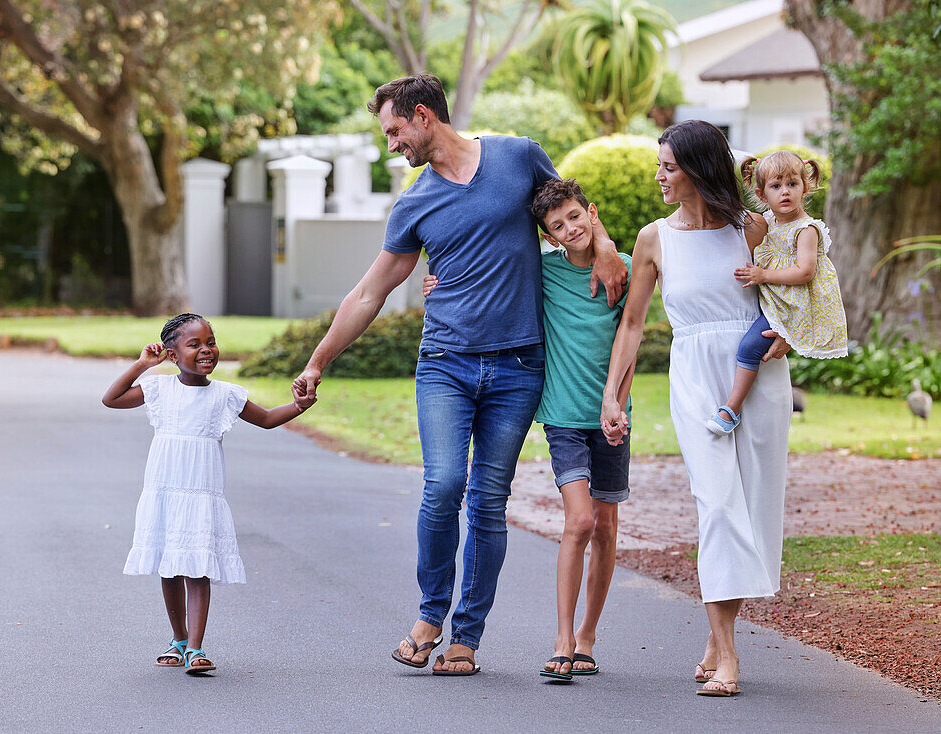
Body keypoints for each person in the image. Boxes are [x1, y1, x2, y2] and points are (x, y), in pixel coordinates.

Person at [290, 74, 628, 676]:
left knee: (488, 502)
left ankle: (465, 638)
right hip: (445, 364)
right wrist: (319, 360)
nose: (391, 144)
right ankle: (429, 615)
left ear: (424, 116)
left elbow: (565, 212)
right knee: (444, 486)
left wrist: (602, 244)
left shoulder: (517, 156)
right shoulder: (414, 202)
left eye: (394, 130)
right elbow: (370, 292)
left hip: (520, 367)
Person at [600, 120, 792, 697]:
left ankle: (717, 634)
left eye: (668, 166)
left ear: (700, 168)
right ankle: (729, 652)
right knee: (716, 503)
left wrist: (785, 331)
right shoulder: (654, 237)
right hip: (693, 374)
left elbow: (797, 293)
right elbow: (632, 323)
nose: (658, 176)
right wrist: (614, 394)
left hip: (756, 375)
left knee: (754, 506)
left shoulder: (752, 229)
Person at [423, 178, 634, 680]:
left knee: (605, 527)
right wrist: (441, 284)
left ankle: (587, 637)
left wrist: (617, 405)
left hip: (613, 417)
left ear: (592, 212)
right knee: (580, 521)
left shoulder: (621, 269)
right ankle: (562, 637)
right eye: (556, 227)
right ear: (548, 236)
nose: (570, 229)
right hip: (563, 415)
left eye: (576, 218)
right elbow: (489, 278)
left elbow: (632, 335)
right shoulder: (542, 270)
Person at [102, 313, 316, 675]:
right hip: (166, 492)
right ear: (172, 354)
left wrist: (300, 406)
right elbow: (112, 398)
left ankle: (197, 648)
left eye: (211, 342)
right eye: (195, 344)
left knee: (198, 566)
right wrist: (141, 364)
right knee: (169, 567)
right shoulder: (158, 389)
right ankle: (179, 639)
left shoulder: (225, 395)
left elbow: (264, 419)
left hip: (201, 494)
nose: (207, 350)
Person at [707, 150, 847, 435]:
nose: (785, 192)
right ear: (761, 193)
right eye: (776, 186)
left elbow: (805, 272)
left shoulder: (805, 229)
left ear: (805, 188)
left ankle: (731, 408)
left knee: (749, 346)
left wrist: (764, 275)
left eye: (792, 185)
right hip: (776, 300)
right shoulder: (767, 222)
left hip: (793, 306)